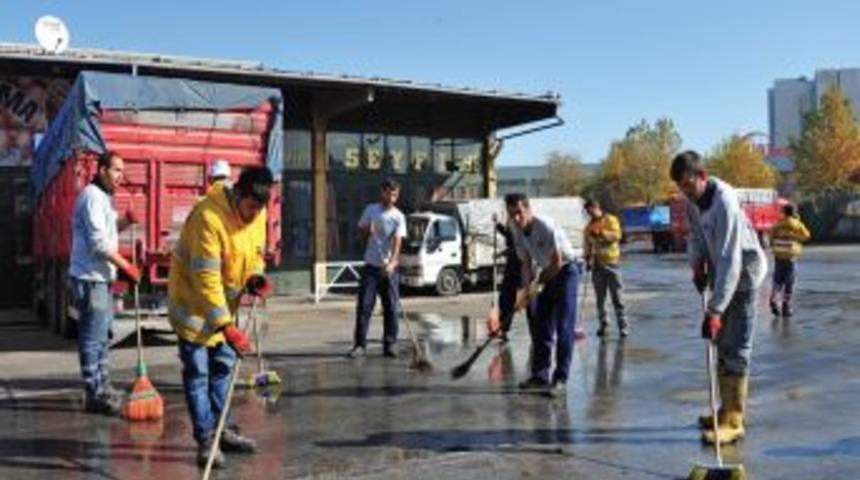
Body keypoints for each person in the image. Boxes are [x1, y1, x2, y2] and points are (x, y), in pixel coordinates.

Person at [168, 165, 274, 468]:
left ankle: (223, 431)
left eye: (259, 209)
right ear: (238, 194)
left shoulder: (258, 212)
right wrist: (226, 327)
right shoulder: (208, 217)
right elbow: (207, 279)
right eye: (250, 207)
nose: (254, 215)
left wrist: (255, 277)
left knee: (223, 370)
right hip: (192, 307)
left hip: (224, 310)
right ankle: (205, 440)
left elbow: (255, 253)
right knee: (198, 374)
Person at [670, 150, 767, 444]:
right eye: (681, 187)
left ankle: (734, 420)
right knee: (721, 343)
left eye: (688, 185)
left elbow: (729, 258)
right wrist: (696, 265)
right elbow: (696, 237)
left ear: (702, 176)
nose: (685, 192)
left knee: (736, 345)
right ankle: (725, 410)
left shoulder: (725, 201)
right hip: (722, 275)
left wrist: (715, 310)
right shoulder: (693, 201)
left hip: (744, 276)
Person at [70, 150, 141, 416]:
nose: (121, 176)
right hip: (90, 277)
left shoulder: (103, 197)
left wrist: (125, 221)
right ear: (102, 170)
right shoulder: (91, 197)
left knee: (103, 336)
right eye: (116, 170)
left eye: (122, 171)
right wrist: (126, 266)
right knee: (92, 337)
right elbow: (98, 244)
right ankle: (94, 393)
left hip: (102, 277)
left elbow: (109, 232)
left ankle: (103, 387)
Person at [505, 193, 580, 398]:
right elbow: (525, 263)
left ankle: (560, 378)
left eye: (519, 213)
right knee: (541, 325)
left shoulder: (544, 226)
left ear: (528, 210)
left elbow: (557, 262)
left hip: (566, 271)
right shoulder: (516, 230)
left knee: (564, 326)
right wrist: (525, 293)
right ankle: (540, 376)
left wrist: (537, 284)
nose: (516, 218)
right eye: (512, 215)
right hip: (547, 272)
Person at [348, 178, 407, 359]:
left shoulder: (398, 217)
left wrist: (392, 264)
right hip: (371, 268)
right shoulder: (370, 210)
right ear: (382, 192)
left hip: (389, 270)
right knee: (364, 307)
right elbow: (359, 235)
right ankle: (360, 345)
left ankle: (390, 344)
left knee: (391, 308)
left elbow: (397, 243)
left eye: (395, 195)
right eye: (389, 193)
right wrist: (367, 230)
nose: (391, 198)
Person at [583, 199, 628, 338]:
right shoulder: (588, 227)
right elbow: (587, 244)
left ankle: (623, 325)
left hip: (612, 263)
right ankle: (604, 324)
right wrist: (587, 258)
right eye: (587, 212)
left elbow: (617, 235)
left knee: (617, 297)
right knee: (600, 298)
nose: (590, 214)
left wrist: (601, 233)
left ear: (597, 207)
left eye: (591, 211)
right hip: (597, 265)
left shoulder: (610, 220)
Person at [769, 203, 811, 317]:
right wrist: (794, 236)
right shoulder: (797, 224)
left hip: (778, 256)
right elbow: (807, 236)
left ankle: (774, 298)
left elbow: (771, 237)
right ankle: (786, 307)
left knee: (778, 280)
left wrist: (774, 245)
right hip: (790, 257)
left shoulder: (778, 224)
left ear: (784, 212)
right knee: (789, 282)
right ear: (794, 212)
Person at [491, 212, 521, 342]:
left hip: (518, 267)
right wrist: (497, 224)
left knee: (509, 299)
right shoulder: (512, 227)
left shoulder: (515, 227)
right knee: (506, 299)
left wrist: (501, 254)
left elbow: (514, 246)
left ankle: (504, 329)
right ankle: (503, 329)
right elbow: (508, 236)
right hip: (512, 266)